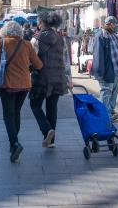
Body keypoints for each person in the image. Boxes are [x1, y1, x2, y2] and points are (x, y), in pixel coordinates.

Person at [0, 21, 43, 162]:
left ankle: (14, 143)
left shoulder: (1, 43)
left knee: (8, 115)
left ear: (5, 31)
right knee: (16, 112)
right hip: (24, 84)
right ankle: (14, 142)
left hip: (7, 84)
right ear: (19, 32)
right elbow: (38, 64)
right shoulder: (27, 44)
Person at [29, 12, 72, 149]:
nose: (37, 24)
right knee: (52, 107)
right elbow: (66, 62)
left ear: (42, 23)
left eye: (37, 22)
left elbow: (31, 59)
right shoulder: (61, 39)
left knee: (35, 105)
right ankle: (51, 141)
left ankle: (47, 130)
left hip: (42, 77)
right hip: (58, 77)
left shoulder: (36, 40)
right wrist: (69, 79)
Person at [90, 16, 118, 121]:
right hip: (107, 70)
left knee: (114, 92)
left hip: (116, 69)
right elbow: (98, 55)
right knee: (106, 91)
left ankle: (111, 110)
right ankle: (104, 115)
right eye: (115, 24)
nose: (116, 26)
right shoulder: (101, 36)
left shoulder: (114, 36)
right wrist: (100, 72)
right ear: (110, 24)